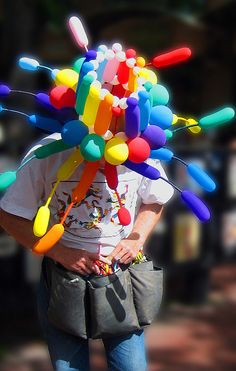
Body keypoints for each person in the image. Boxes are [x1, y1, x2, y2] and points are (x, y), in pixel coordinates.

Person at [0, 129, 174, 371]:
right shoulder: (48, 151)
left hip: (120, 279)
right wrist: (60, 252)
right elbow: (9, 216)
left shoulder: (140, 149)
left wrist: (137, 238)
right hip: (65, 280)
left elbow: (156, 198)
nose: (106, 164)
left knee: (131, 367)